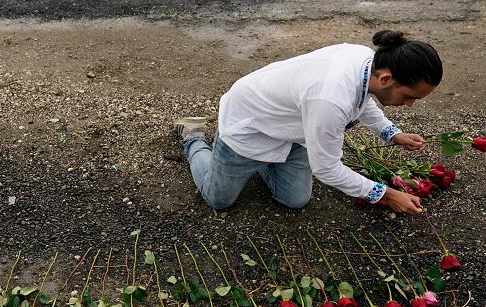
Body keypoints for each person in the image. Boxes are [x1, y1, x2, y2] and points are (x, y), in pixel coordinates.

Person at [176, 30, 442, 215]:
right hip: (249, 127)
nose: (409, 105)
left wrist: (392, 133)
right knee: (218, 200)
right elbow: (326, 169)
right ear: (386, 79)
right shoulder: (330, 99)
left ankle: (266, 162)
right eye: (409, 97)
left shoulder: (367, 62)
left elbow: (363, 100)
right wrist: (387, 194)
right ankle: (194, 138)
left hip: (294, 130)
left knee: (294, 200)